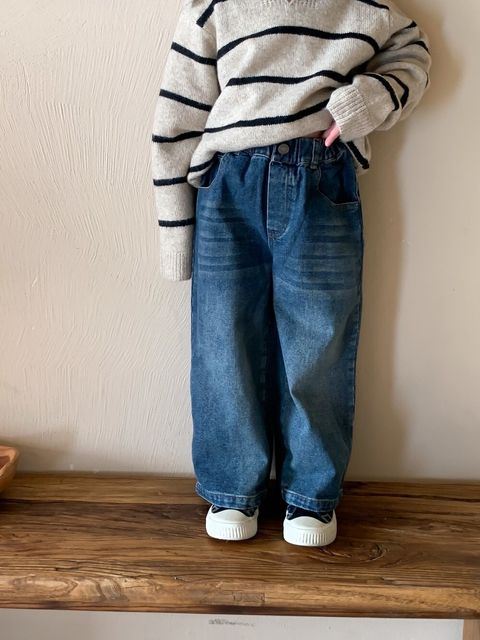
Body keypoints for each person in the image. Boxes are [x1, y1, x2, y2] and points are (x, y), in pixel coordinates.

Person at [151, 0, 432, 546]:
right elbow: (175, 125)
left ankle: (311, 496)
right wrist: (175, 239)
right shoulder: (215, 10)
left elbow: (413, 52)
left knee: (319, 344)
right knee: (223, 342)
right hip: (228, 187)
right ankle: (232, 489)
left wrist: (367, 100)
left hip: (322, 181)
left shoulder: (362, 6)